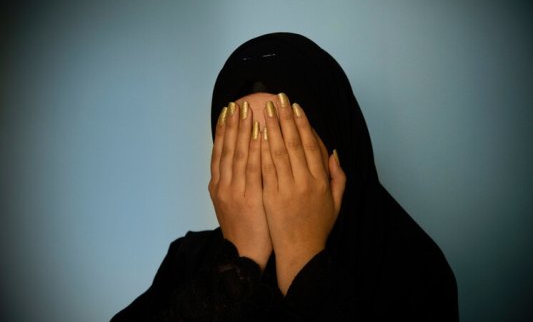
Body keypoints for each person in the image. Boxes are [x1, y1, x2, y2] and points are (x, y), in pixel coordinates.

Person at [111, 32, 458, 321]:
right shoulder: (187, 260)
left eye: (287, 142)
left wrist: (302, 257)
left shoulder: (413, 268)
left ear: (341, 154)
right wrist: (241, 260)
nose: (264, 165)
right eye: (242, 145)